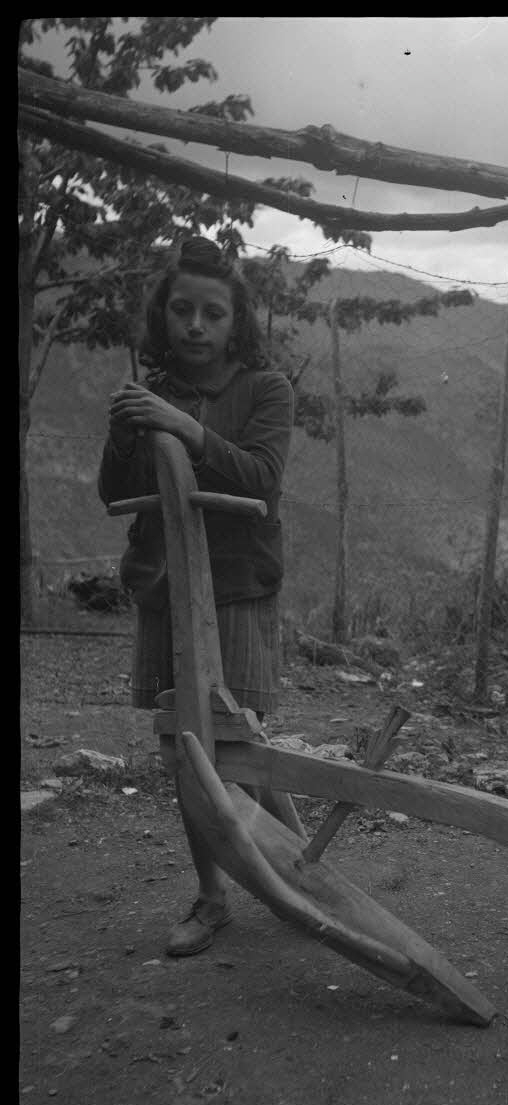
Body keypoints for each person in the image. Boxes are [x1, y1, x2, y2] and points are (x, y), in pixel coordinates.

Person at [98, 236, 294, 958]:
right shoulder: (148, 392)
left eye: (213, 313)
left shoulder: (266, 389)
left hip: (237, 587)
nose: (195, 326)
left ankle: (299, 866)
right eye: (182, 311)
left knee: (237, 736)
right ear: (164, 316)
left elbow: (261, 478)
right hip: (165, 586)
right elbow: (114, 493)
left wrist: (183, 426)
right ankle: (212, 897)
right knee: (187, 743)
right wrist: (125, 435)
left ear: (236, 320)